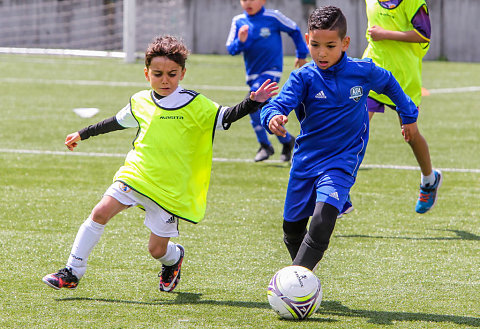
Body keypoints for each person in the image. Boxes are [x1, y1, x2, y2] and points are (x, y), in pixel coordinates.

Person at [42, 35, 278, 292]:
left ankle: (174, 258)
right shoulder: (140, 101)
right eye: (158, 74)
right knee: (100, 212)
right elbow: (114, 122)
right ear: (147, 74)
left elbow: (226, 116)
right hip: (137, 174)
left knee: (156, 250)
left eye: (172, 74)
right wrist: (82, 133)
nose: (165, 80)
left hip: (170, 189)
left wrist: (252, 102)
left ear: (182, 73)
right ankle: (72, 271)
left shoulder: (195, 103)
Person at [260, 6, 418, 270]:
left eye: (330, 45)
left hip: (343, 158)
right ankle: (302, 284)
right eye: (315, 44)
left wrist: (408, 114)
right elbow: (277, 104)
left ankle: (296, 281)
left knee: (322, 219)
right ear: (307, 39)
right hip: (307, 159)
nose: (322, 53)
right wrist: (273, 117)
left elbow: (389, 82)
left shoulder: (362, 71)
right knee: (291, 228)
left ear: (345, 43)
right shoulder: (303, 77)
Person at [363, 0, 442, 214]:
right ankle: (340, 190)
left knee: (411, 135)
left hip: (404, 78)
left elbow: (424, 34)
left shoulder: (414, 2)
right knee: (356, 129)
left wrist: (385, 34)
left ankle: (429, 179)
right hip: (373, 72)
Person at [226, 0, 309, 162]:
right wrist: (241, 41)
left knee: (252, 103)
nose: (248, 2)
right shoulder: (238, 21)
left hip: (271, 71)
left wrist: (301, 53)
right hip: (252, 76)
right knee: (256, 109)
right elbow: (231, 49)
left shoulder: (273, 17)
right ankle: (286, 141)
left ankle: (265, 145)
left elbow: (294, 29)